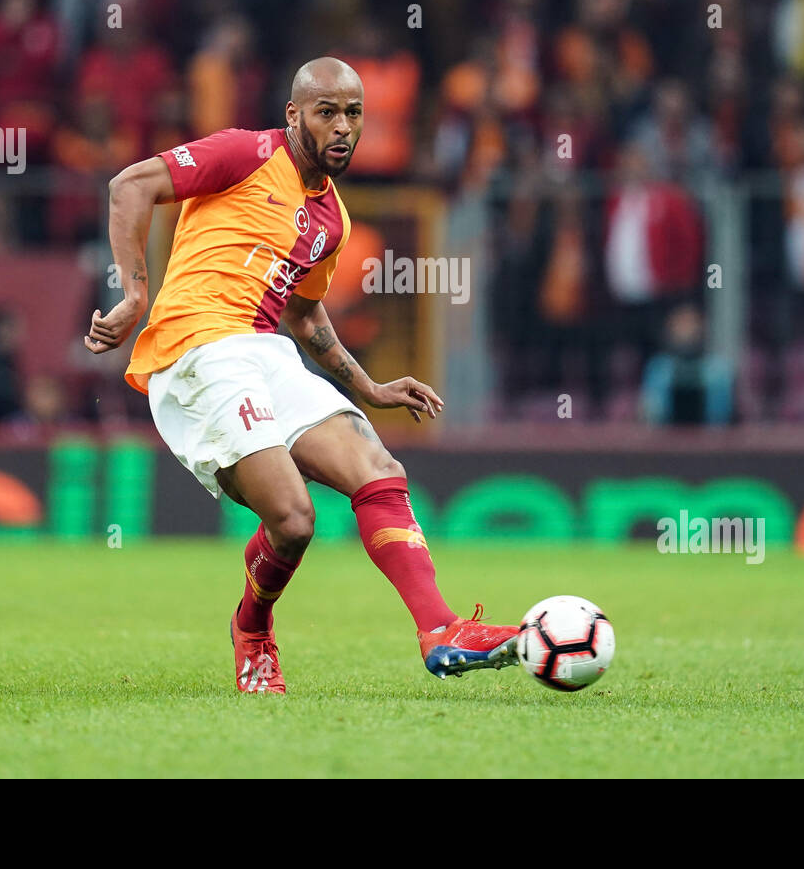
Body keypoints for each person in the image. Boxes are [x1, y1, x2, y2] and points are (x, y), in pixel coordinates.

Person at [83, 57, 518, 693]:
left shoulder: (332, 219)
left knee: (381, 470)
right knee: (293, 521)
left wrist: (369, 387)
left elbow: (307, 317)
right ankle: (251, 627)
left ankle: (441, 630)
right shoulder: (244, 153)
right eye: (327, 112)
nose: (343, 128)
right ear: (294, 114)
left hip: (266, 354)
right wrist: (133, 295)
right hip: (195, 352)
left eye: (354, 114)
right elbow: (129, 185)